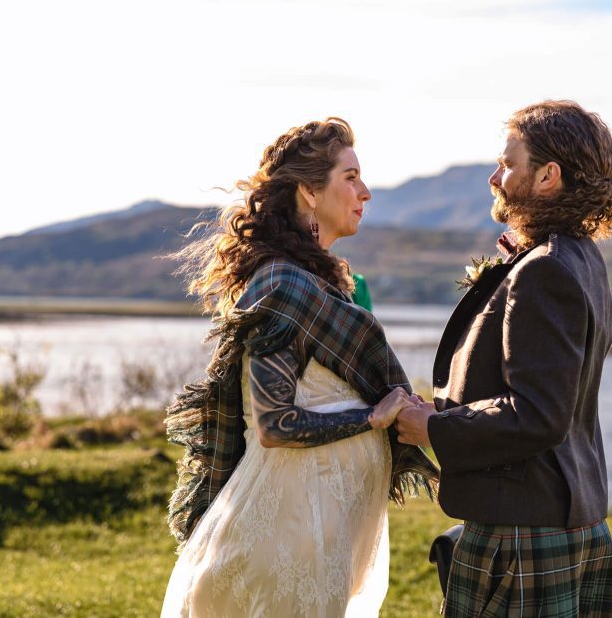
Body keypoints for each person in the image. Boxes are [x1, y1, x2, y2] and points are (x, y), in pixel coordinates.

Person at [162, 117, 438, 617]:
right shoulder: (282, 286)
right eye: (350, 178)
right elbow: (274, 424)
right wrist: (371, 417)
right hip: (282, 533)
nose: (366, 192)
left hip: (321, 530)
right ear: (309, 191)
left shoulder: (324, 285)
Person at [395, 100, 612, 617]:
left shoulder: (544, 269)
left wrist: (432, 427)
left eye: (508, 164)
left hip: (522, 534)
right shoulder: (582, 258)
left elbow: (537, 414)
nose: (494, 177)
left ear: (548, 176)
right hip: (562, 519)